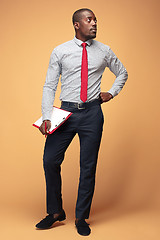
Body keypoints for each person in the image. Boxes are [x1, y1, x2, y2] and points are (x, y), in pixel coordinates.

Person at [35, 8, 128, 236]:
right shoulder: (60, 51)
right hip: (65, 113)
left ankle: (81, 217)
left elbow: (122, 73)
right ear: (77, 25)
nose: (94, 23)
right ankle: (55, 212)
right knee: (50, 161)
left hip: (92, 114)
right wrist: (47, 115)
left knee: (88, 167)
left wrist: (112, 93)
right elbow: (49, 85)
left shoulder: (104, 50)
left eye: (95, 20)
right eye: (89, 20)